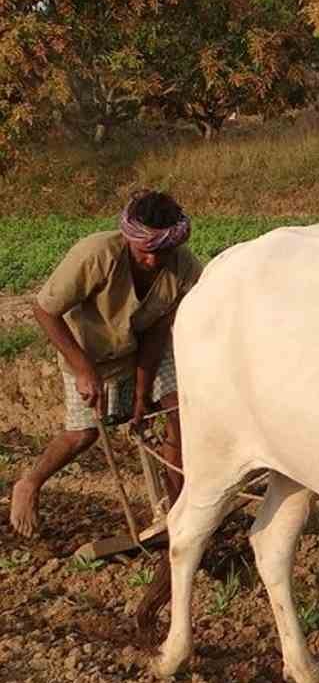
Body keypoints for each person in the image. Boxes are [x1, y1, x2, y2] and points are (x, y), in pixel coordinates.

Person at [8, 189, 201, 538]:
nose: (154, 261)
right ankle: (30, 483)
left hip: (146, 348)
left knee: (178, 414)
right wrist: (83, 369)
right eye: (146, 252)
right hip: (88, 353)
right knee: (83, 434)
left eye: (163, 252)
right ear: (129, 238)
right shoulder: (96, 254)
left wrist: (142, 393)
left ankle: (179, 514)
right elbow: (45, 310)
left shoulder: (185, 267)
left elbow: (158, 331)